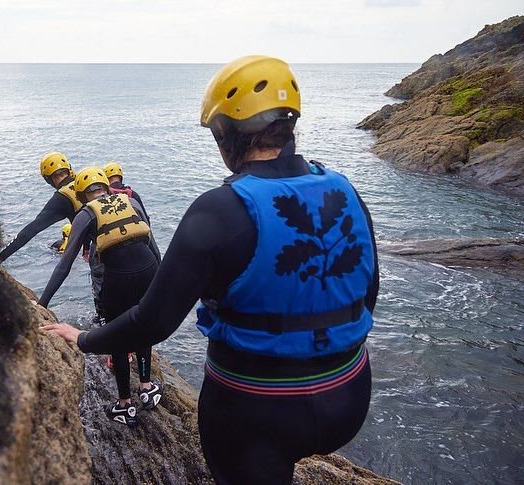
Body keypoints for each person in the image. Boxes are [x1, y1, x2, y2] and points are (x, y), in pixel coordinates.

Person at [41, 56, 379, 484]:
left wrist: (85, 338)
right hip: (347, 399)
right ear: (289, 126)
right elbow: (367, 295)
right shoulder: (347, 190)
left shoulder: (219, 210)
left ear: (226, 135)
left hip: (255, 414)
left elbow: (152, 321)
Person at [38, 166, 163, 427]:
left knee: (119, 336)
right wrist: (161, 281)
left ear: (83, 195)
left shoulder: (86, 213)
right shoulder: (130, 201)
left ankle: (125, 404)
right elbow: (152, 243)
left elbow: (65, 263)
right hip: (150, 270)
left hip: (118, 278)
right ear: (106, 188)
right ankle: (147, 387)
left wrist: (42, 303)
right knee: (142, 328)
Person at [0, 152, 84, 263]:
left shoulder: (61, 198)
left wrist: (0, 257)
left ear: (47, 179)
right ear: (68, 169)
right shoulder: (85, 182)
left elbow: (31, 230)